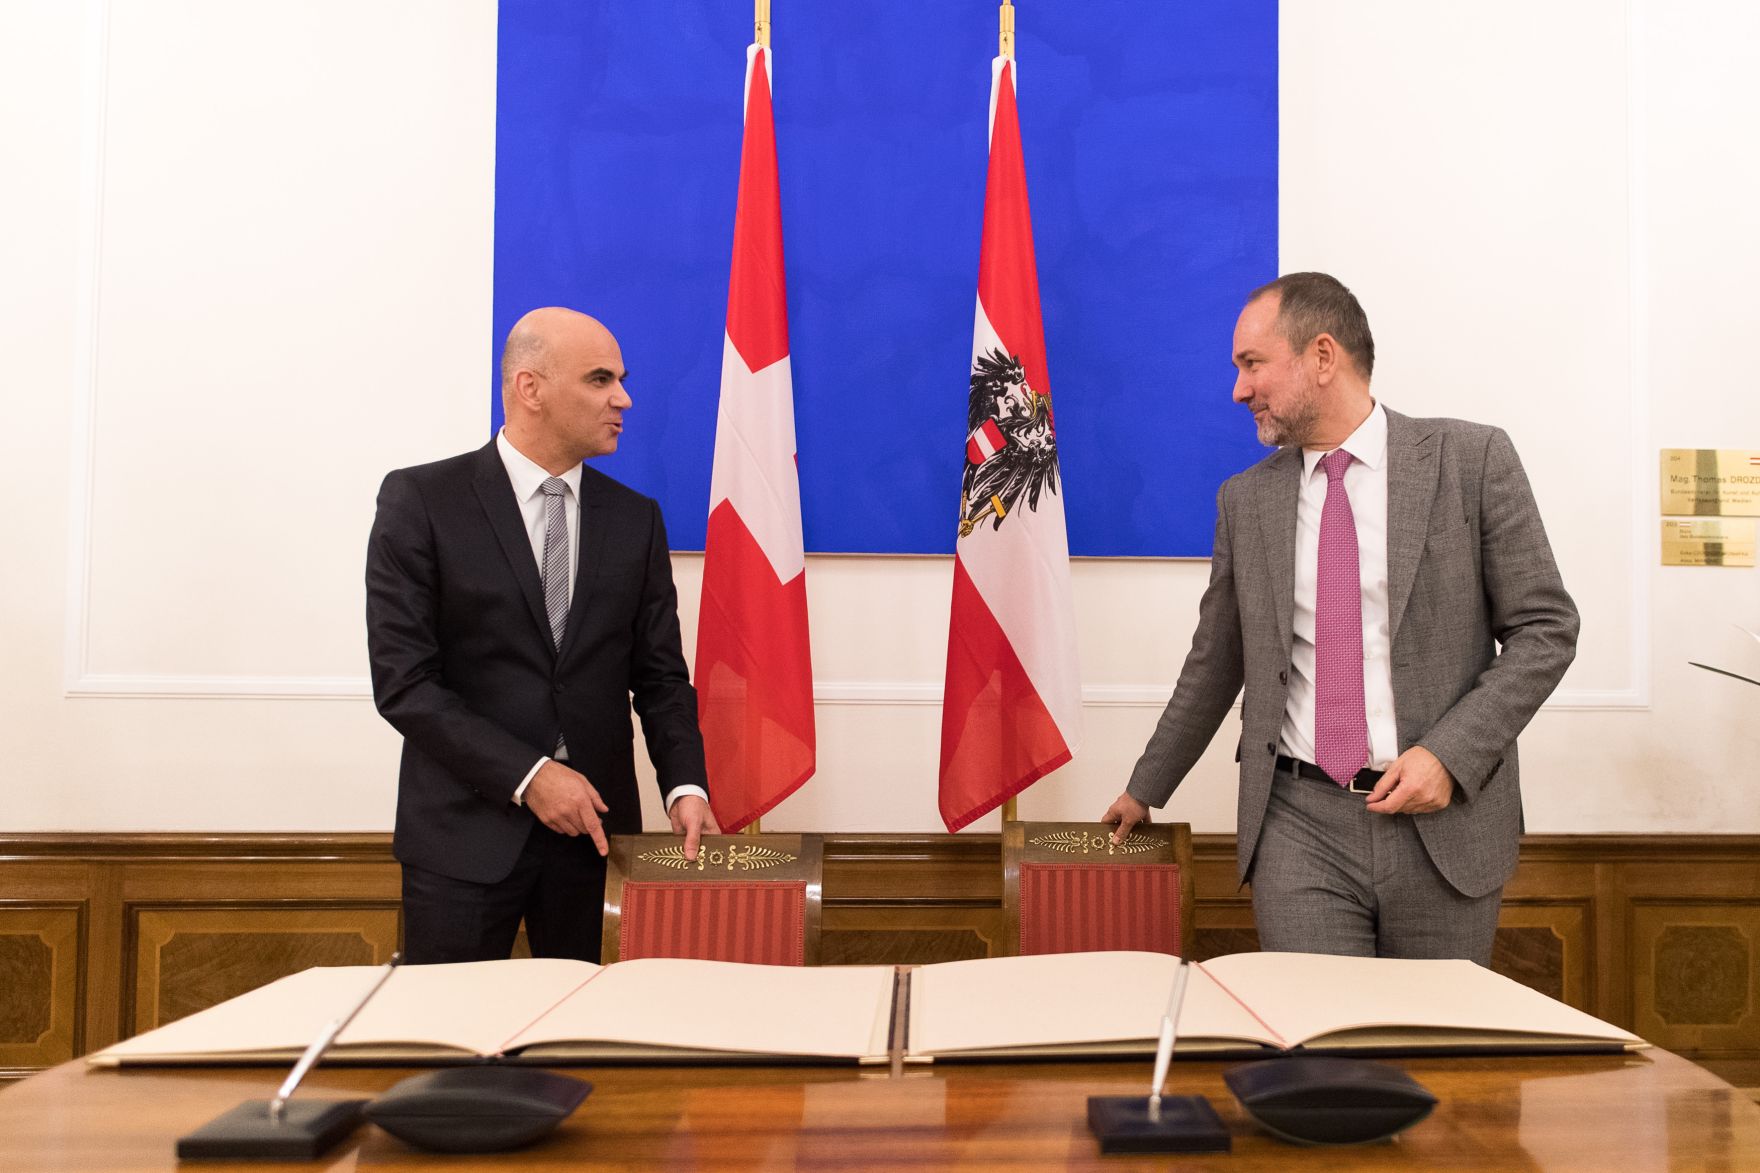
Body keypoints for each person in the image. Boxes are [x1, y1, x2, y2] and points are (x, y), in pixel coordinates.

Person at [1102, 273, 1578, 964]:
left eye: (1252, 363)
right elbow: (1217, 658)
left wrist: (1449, 754)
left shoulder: (1470, 462)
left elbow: (1546, 629)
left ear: (1322, 357)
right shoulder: (1246, 501)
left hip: (1440, 823)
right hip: (1298, 822)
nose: (1239, 389)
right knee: (1318, 1054)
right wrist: (1146, 787)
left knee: (1431, 1054)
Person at [366, 307, 717, 964]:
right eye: (600, 379)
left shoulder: (635, 520)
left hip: (597, 846)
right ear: (531, 388)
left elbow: (662, 676)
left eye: (620, 378)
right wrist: (530, 776)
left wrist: (685, 785)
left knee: (590, 1046)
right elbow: (405, 683)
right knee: (453, 1050)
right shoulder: (422, 501)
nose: (624, 398)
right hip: (461, 845)